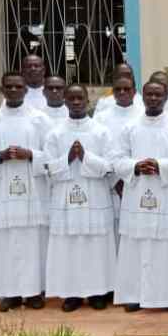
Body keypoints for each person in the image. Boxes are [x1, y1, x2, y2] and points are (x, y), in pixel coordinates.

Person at [0, 72, 54, 312]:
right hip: (3, 192)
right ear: (1, 90)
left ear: (25, 90)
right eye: (8, 87)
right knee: (5, 242)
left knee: (33, 241)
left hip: (34, 192)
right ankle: (9, 293)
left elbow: (52, 155)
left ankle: (34, 292)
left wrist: (30, 154)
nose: (13, 90)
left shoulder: (40, 120)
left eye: (18, 86)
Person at [113, 80, 168, 311]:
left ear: (166, 97)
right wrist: (135, 166)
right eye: (149, 94)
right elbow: (116, 159)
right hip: (137, 195)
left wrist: (160, 165)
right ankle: (134, 295)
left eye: (158, 94)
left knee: (167, 246)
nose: (153, 98)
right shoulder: (129, 128)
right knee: (135, 244)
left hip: (166, 194)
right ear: (142, 97)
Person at [44, 84, 116, 312]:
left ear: (88, 101)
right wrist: (67, 158)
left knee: (95, 246)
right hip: (66, 199)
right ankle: (72, 293)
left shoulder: (101, 131)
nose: (76, 102)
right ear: (65, 101)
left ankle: (97, 292)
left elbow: (110, 166)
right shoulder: (55, 133)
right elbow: (48, 168)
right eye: (71, 98)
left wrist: (85, 157)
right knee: (69, 246)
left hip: (95, 196)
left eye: (80, 98)